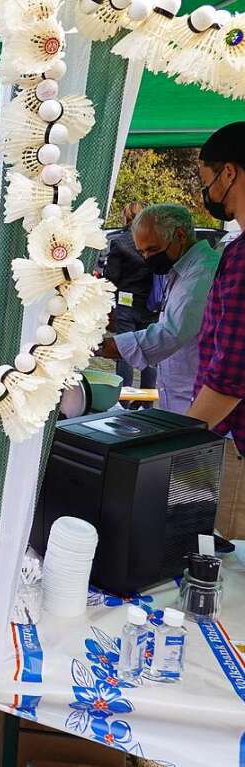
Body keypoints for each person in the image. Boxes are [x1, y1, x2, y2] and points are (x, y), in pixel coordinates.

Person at [96, 205, 219, 414]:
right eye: (141, 251)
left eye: (152, 249)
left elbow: (170, 333)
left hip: (194, 396)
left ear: (180, 235)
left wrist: (104, 346)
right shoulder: (182, 267)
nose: (146, 258)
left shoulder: (202, 272)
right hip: (180, 392)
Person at [186, 122, 245, 545]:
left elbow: (231, 376)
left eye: (208, 183)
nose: (207, 197)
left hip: (237, 445)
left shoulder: (242, 256)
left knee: (225, 570)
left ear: (229, 174)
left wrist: (177, 440)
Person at [102, 202, 158, 391]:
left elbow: (111, 277)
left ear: (125, 218)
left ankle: (123, 397)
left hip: (126, 304)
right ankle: (148, 401)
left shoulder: (120, 242)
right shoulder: (155, 242)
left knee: (125, 348)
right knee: (150, 351)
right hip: (151, 304)